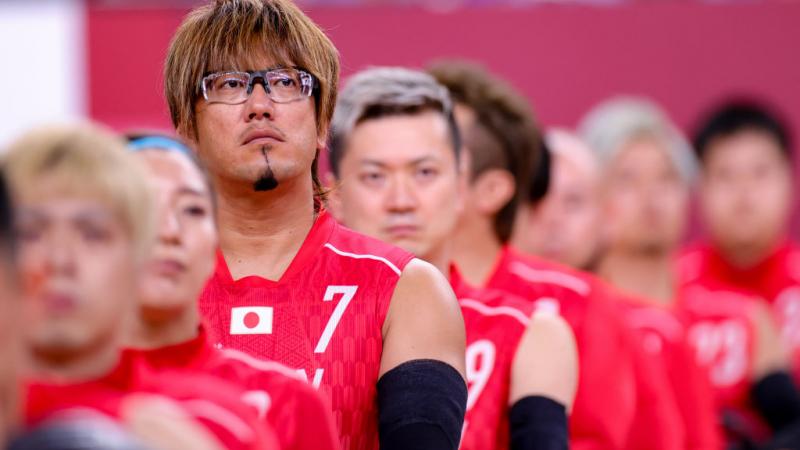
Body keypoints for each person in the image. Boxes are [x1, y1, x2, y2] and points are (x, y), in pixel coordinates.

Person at [164, 1, 468, 449]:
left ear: (323, 120)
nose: (260, 105)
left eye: (286, 82)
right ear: (187, 125)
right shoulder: (141, 286)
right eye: (230, 83)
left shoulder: (407, 289)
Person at [327, 66, 578, 450]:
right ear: (335, 195)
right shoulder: (296, 326)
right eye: (375, 176)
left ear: (462, 187)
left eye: (424, 172)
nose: (402, 201)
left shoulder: (530, 334)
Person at [4, 123, 279, 450]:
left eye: (92, 233)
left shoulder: (220, 427)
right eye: (30, 232)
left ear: (137, 258)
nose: (60, 260)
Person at [427, 60, 644, 450]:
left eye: (429, 164)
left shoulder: (577, 304)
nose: (402, 188)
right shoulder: (371, 299)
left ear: (490, 190)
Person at [579, 97, 800, 448]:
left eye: (668, 176)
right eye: (627, 178)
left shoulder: (743, 319)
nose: (650, 194)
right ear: (592, 198)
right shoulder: (577, 321)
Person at [124, 133, 341, 450]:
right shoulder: (38, 393)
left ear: (215, 236)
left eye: (192, 210)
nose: (169, 231)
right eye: (142, 208)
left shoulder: (286, 400)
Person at [521, 126, 722, 449]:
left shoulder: (658, 333)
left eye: (573, 202)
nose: (552, 218)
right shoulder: (476, 313)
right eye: (537, 198)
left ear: (606, 216)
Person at [679, 101, 800, 382]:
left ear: (789, 182)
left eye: (760, 173)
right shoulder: (671, 287)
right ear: (700, 188)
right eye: (726, 175)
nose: (744, 192)